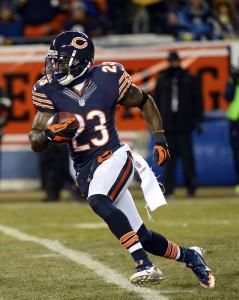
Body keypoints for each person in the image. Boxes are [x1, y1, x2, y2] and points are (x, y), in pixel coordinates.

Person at [28, 30, 215, 288]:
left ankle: (144, 264)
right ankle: (191, 255)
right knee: (144, 236)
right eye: (54, 61)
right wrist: (47, 135)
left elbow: (145, 102)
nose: (54, 67)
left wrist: (160, 139)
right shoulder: (48, 90)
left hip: (115, 156)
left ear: (80, 62)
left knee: (98, 199)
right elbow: (35, 138)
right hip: (86, 168)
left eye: (61, 62)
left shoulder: (107, 78)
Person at [154, 51, 203, 198]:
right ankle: (169, 189)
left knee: (188, 160)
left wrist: (198, 120)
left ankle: (191, 187)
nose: (173, 64)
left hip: (184, 126)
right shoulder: (162, 79)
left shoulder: (189, 78)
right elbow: (156, 103)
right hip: (168, 126)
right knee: (169, 161)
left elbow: (197, 101)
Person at [224, 64, 239, 195]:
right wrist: (233, 82)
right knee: (237, 154)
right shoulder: (234, 78)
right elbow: (228, 97)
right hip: (236, 119)